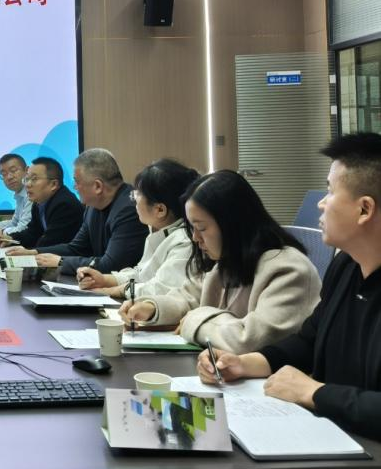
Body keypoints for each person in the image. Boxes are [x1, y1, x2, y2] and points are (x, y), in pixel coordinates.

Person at [198, 133, 381, 439]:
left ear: (364, 209)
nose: (321, 203)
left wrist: (314, 392)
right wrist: (244, 364)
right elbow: (309, 341)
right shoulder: (346, 266)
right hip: (332, 435)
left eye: (330, 191)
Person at [121, 169, 321, 352]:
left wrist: (194, 320)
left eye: (201, 228)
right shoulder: (228, 260)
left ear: (232, 224)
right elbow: (188, 297)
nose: (195, 238)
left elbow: (249, 339)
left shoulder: (288, 270)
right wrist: (151, 308)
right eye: (192, 228)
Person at [7, 148, 148, 277]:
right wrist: (34, 252)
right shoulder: (92, 207)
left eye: (77, 181)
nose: (74, 187)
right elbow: (76, 248)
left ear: (97, 186)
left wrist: (61, 262)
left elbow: (111, 265)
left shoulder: (129, 209)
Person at [77, 159, 199, 299]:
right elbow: (141, 274)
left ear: (160, 210)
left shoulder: (184, 241)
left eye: (138, 194)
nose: (133, 198)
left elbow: (159, 289)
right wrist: (105, 279)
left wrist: (112, 291)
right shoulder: (157, 230)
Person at [0, 157, 83, 251]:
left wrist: (29, 252)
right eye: (27, 179)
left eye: (34, 179)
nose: (27, 184)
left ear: (53, 184)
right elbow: (32, 233)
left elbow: (50, 243)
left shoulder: (64, 205)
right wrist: (10, 239)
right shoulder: (39, 202)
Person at [0, 153, 32, 236]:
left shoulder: (32, 193)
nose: (9, 177)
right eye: (4, 174)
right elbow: (14, 223)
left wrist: (1, 232)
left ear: (26, 171)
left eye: (13, 171)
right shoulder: (20, 194)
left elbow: (22, 229)